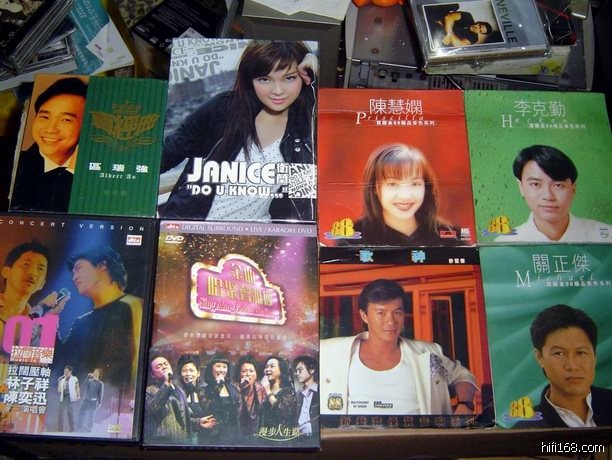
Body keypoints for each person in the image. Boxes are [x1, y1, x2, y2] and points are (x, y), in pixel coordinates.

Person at [159, 40, 317, 222]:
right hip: (191, 228)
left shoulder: (306, 128)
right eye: (264, 79)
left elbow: (306, 204)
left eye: (289, 78)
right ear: (250, 80)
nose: (278, 90)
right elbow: (164, 155)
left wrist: (317, 68)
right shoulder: (224, 109)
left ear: (305, 78)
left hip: (254, 235)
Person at [320, 279, 478, 415]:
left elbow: (462, 375)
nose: (390, 322)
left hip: (419, 439)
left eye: (397, 313)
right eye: (381, 313)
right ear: (364, 316)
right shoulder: (330, 352)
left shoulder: (426, 353)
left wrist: (465, 405)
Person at [55, 246, 143, 412]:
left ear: (102, 265)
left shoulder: (133, 306)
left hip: (118, 411)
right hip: (82, 410)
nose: (74, 277)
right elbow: (62, 365)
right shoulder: (81, 322)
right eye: (73, 273)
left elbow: (137, 365)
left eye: (79, 268)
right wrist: (50, 319)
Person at [344, 144, 461, 246]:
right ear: (374, 187)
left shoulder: (451, 236)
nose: (405, 196)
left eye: (415, 184)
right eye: (393, 184)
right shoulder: (352, 238)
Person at [515, 305, 612, 428]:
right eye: (559, 353)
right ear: (539, 357)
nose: (572, 365)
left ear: (594, 355)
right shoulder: (526, 431)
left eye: (581, 353)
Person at [495, 145, 612, 243]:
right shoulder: (506, 245)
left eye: (558, 185)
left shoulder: (606, 238)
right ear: (521, 187)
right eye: (535, 184)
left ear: (573, 189)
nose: (548, 196)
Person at [10, 77, 88, 212]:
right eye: (45, 117)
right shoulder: (14, 163)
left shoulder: (95, 171)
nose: (50, 129)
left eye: (66, 120)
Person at [0, 240, 68, 357]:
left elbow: (42, 360)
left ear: (42, 284)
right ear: (6, 272)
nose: (33, 273)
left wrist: (48, 321)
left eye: (40, 269)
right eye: (26, 264)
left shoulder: (35, 322)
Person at [144, 355, 191, 443]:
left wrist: (198, 422)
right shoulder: (148, 391)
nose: (164, 367)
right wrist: (166, 383)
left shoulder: (179, 389)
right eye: (159, 366)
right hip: (160, 444)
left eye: (166, 364)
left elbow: (181, 416)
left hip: (181, 442)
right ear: (152, 375)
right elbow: (151, 409)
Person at [176, 354, 216, 443]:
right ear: (180, 374)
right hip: (184, 439)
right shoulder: (176, 394)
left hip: (206, 439)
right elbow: (177, 419)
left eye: (191, 370)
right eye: (184, 371)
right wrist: (198, 422)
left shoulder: (205, 392)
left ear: (198, 373)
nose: (188, 374)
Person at [201, 354, 239, 444]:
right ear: (211, 369)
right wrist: (217, 386)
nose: (222, 370)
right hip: (211, 434)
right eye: (218, 366)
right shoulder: (203, 390)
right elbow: (206, 408)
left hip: (231, 434)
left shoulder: (233, 389)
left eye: (224, 367)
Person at [258, 356, 298, 436]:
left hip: (281, 436)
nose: (267, 369)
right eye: (266, 367)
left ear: (281, 370)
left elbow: (282, 412)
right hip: (265, 435)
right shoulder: (262, 390)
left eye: (272, 366)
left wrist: (268, 391)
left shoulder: (288, 391)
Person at [425, 3, 493, 48]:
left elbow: (458, 45)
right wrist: (449, 34)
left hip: (442, 35)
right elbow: (448, 17)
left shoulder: (474, 38)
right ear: (479, 22)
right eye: (479, 26)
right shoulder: (468, 16)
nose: (477, 28)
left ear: (480, 33)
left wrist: (447, 30)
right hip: (441, 20)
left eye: (480, 30)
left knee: (442, 38)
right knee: (455, 5)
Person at [233, 355, 267, 439]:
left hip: (257, 437)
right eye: (244, 371)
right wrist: (241, 389)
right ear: (239, 374)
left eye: (251, 371)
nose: (248, 374)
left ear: (256, 375)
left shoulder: (261, 390)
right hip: (237, 437)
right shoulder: (233, 389)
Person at [292, 355, 319, 437]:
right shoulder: (298, 394)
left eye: (300, 370)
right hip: (298, 437)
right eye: (296, 371)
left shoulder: (320, 392)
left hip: (315, 437)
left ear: (312, 370)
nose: (297, 374)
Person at [77, 368, 104, 432]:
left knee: (91, 415)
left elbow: (100, 394)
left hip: (93, 402)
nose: (95, 373)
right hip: (86, 400)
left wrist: (99, 403)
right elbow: (84, 385)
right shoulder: (89, 381)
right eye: (94, 371)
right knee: (81, 413)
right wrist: (88, 377)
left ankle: (89, 428)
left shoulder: (100, 383)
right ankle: (79, 427)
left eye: (97, 372)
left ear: (99, 374)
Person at [57, 365, 80, 432]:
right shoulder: (61, 379)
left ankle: (72, 429)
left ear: (70, 372)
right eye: (64, 371)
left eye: (67, 371)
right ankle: (60, 429)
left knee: (70, 413)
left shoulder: (74, 378)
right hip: (63, 397)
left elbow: (77, 387)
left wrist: (78, 396)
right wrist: (60, 383)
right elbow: (59, 390)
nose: (65, 372)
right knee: (60, 413)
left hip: (70, 397)